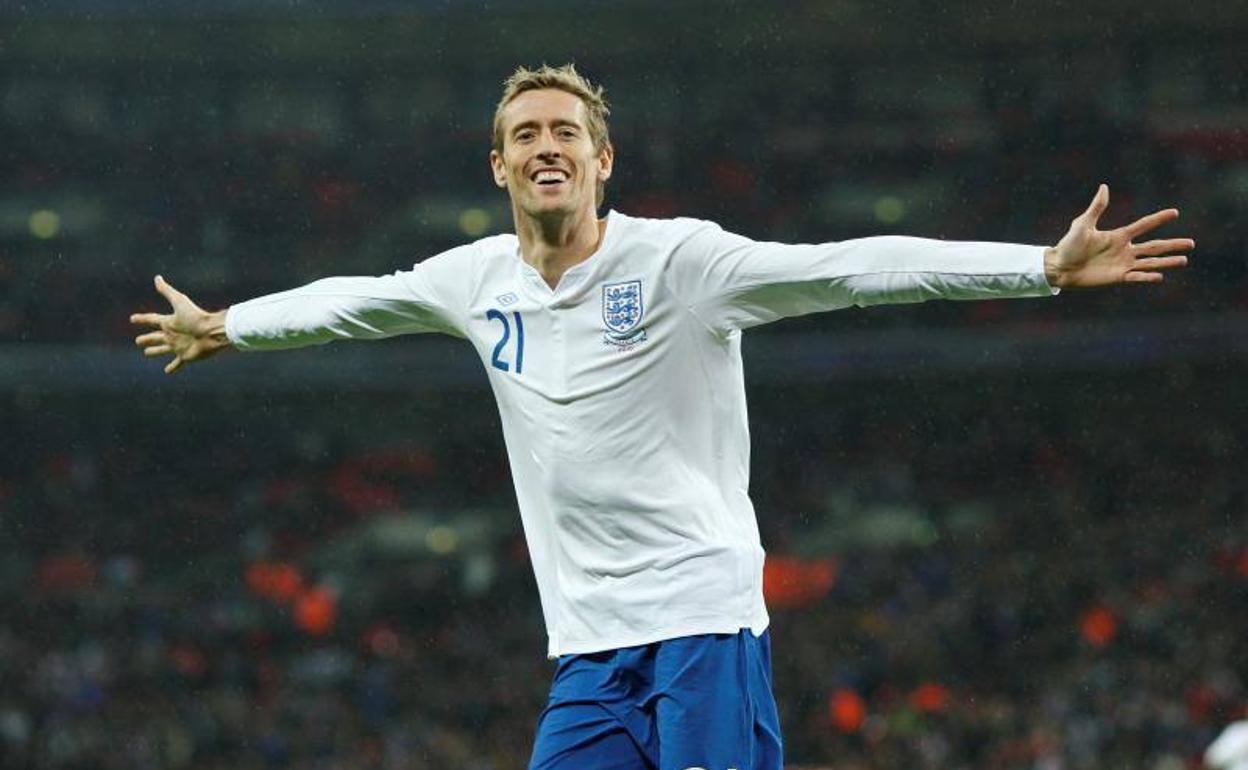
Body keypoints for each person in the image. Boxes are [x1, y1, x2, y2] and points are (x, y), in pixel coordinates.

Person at [131, 64, 1192, 770]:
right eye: (524, 134)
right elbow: (352, 301)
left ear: (603, 161)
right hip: (587, 647)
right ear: (498, 165)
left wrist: (1040, 268)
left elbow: (852, 271)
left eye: (567, 132)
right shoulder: (473, 279)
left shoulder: (681, 260)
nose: (547, 146)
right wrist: (229, 326)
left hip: (701, 620)